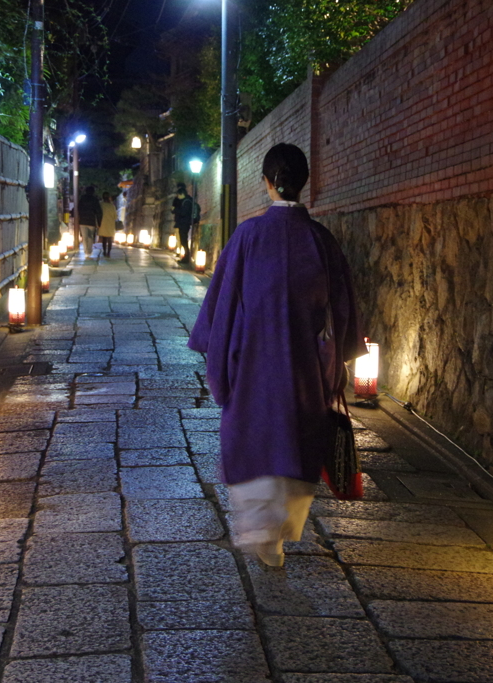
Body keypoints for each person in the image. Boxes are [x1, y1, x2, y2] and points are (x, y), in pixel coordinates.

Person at [187, 143, 364, 567]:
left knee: (251, 438)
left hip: (251, 363)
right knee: (299, 441)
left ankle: (261, 532)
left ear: (266, 182)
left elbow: (224, 303)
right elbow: (339, 311)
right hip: (304, 366)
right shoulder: (321, 240)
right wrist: (333, 366)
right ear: (305, 183)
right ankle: (280, 530)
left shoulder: (247, 236)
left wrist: (220, 361)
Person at [172, 182, 194, 265]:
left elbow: (183, 213)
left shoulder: (187, 202)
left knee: (184, 241)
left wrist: (175, 210)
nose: (178, 197)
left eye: (179, 195)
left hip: (184, 223)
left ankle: (186, 257)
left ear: (182, 194)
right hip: (183, 223)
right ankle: (185, 256)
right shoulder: (186, 201)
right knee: (183, 240)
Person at [78, 186, 103, 256]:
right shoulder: (95, 199)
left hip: (82, 221)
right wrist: (99, 222)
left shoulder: (82, 199)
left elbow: (78, 209)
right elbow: (98, 211)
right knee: (90, 236)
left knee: (84, 237)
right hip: (91, 221)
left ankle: (86, 251)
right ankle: (89, 250)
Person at [98, 191, 117, 258]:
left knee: (104, 239)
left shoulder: (100, 204)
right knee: (110, 239)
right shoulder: (112, 206)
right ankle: (108, 252)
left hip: (103, 223)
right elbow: (115, 216)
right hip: (110, 224)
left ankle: (104, 251)